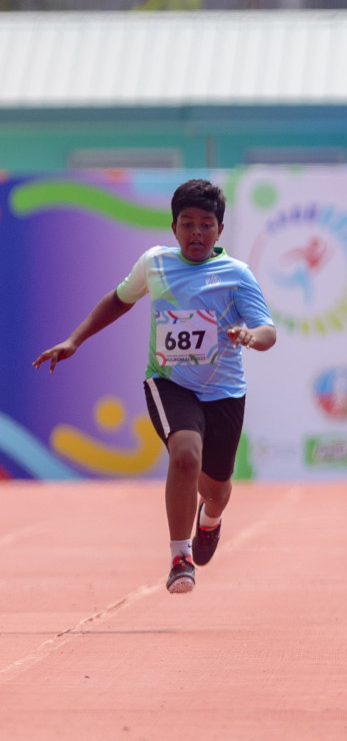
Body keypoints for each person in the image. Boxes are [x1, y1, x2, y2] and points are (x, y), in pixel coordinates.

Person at [33, 179, 277, 594]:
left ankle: (210, 518)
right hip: (168, 382)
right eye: (187, 224)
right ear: (173, 227)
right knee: (184, 454)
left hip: (224, 392)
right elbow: (119, 299)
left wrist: (250, 336)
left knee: (216, 488)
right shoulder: (155, 263)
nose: (196, 233)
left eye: (206, 225)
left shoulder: (236, 275)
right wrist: (75, 339)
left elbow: (267, 330)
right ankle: (180, 557)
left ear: (220, 229)